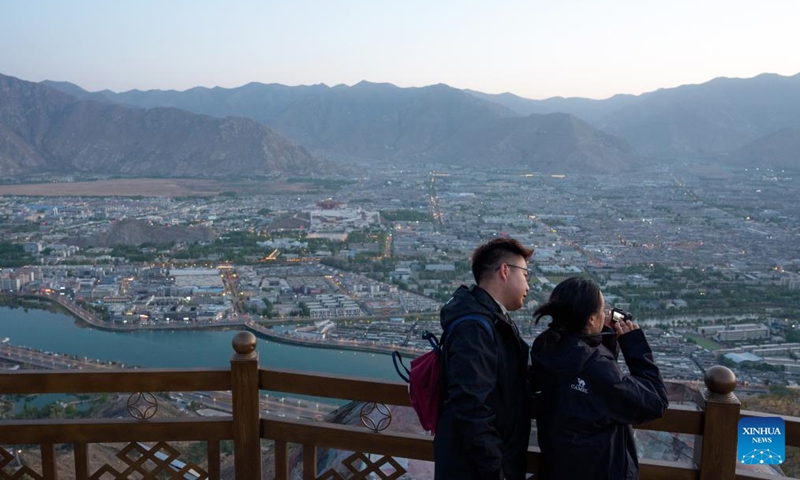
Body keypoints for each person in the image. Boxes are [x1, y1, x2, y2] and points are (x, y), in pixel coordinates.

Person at [529, 276, 669, 480]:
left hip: (558, 468)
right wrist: (635, 347)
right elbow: (656, 402)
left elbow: (585, 371)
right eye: (602, 311)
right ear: (591, 319)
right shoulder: (597, 369)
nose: (605, 315)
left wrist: (603, 337)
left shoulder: (545, 348)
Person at [434, 237, 533, 480]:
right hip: (477, 469)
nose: (528, 286)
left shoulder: (486, 319)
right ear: (505, 271)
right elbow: (470, 405)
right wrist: (496, 469)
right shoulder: (476, 328)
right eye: (525, 275)